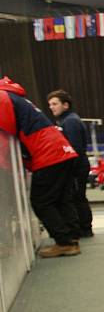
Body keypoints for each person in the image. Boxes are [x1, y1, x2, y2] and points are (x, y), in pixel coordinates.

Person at [0, 76, 82, 257]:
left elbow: (5, 136)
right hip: (60, 150)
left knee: (41, 201)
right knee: (61, 199)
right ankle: (72, 239)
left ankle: (65, 242)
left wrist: (6, 163)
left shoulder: (2, 98)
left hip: (47, 154)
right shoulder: (14, 96)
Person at [47, 89, 93, 237]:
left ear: (65, 105)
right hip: (75, 166)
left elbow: (75, 148)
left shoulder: (71, 121)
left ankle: (85, 228)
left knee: (78, 197)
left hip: (76, 167)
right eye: (50, 104)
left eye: (55, 104)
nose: (51, 107)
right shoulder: (65, 121)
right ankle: (83, 227)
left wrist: (70, 170)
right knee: (76, 197)